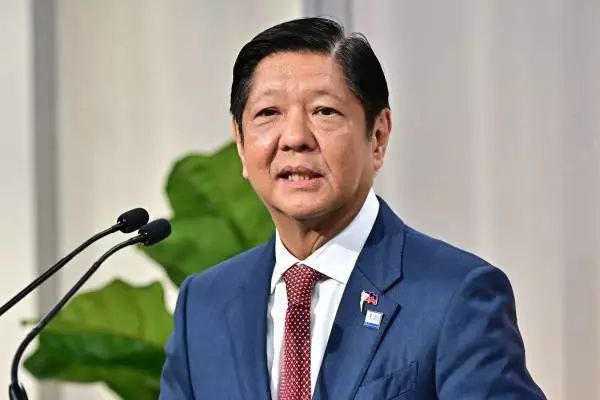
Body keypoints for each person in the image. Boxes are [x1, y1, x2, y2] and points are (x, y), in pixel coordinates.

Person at [159, 17, 546, 400]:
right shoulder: (204, 306)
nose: (295, 138)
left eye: (324, 111)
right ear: (241, 144)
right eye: (268, 113)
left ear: (377, 136)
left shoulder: (455, 295)